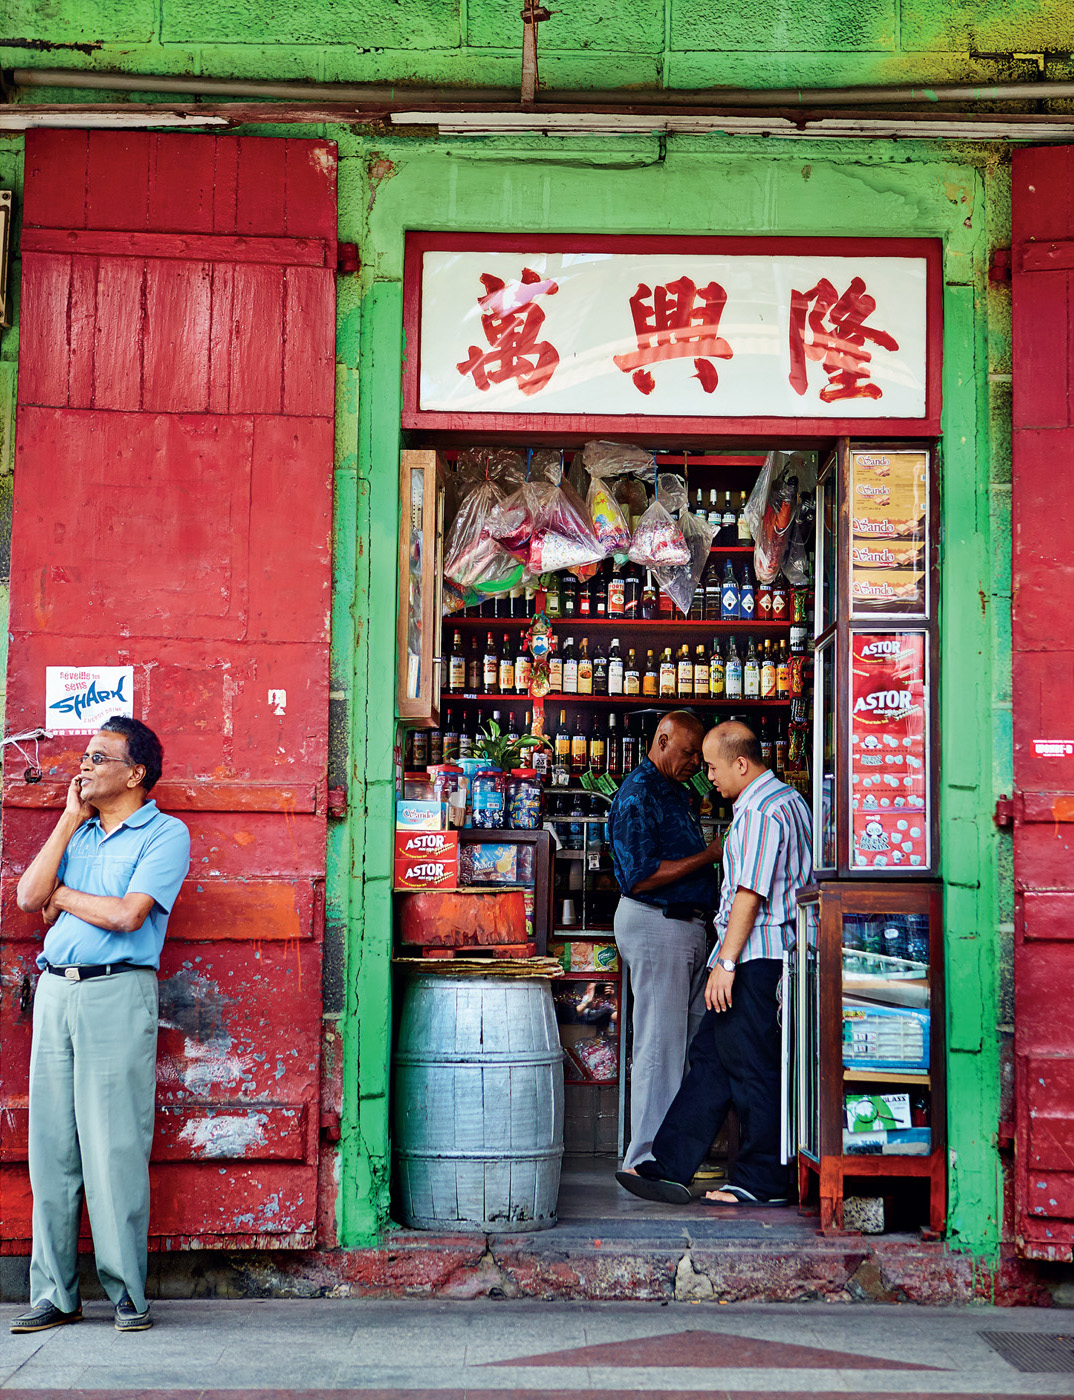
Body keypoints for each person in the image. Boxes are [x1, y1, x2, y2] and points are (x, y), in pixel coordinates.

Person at [9, 717, 190, 1335]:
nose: (83, 766)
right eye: (84, 756)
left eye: (98, 757)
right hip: (57, 989)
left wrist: (67, 898)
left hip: (117, 990)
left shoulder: (164, 834)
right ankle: (55, 1293)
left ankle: (127, 1292)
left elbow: (126, 916)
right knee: (51, 1151)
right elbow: (29, 897)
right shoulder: (77, 833)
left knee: (113, 1147)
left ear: (136, 773)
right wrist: (66, 822)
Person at [616, 720, 812, 1207]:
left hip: (754, 956)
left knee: (751, 1069)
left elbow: (750, 893)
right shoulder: (790, 802)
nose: (708, 777)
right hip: (754, 952)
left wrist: (725, 962)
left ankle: (762, 1181)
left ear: (741, 764)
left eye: (713, 766)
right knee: (711, 1061)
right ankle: (668, 1166)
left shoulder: (762, 812)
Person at [607, 711, 723, 1172]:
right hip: (657, 922)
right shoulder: (638, 794)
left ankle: (673, 1155)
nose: (696, 761)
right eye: (689, 751)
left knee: (690, 1045)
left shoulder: (677, 789)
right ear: (661, 740)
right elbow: (641, 876)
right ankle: (645, 1160)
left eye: (701, 755)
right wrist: (712, 855)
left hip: (685, 927)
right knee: (660, 1046)